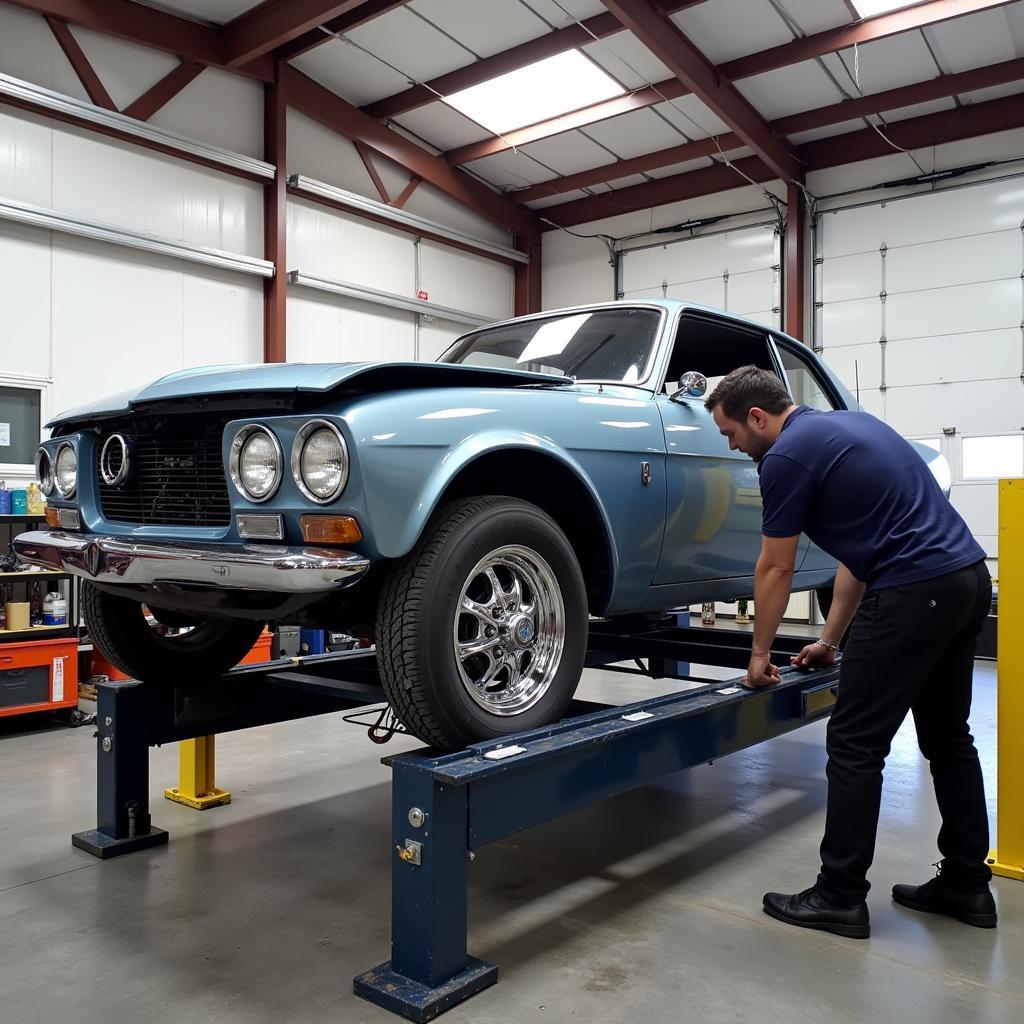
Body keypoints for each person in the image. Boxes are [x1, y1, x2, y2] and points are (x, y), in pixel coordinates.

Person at [704, 365, 996, 939]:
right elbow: (857, 559)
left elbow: (775, 566)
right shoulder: (851, 427)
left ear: (757, 418)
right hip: (966, 581)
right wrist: (830, 640)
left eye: (730, 434)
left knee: (855, 742)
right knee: (948, 737)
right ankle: (967, 884)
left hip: (913, 592)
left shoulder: (785, 458)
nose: (734, 447)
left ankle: (838, 895)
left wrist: (759, 656)